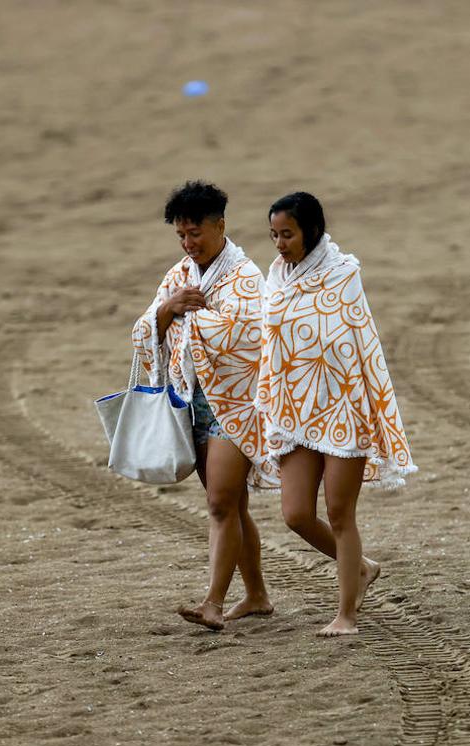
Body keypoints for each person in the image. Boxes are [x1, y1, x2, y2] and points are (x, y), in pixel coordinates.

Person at [257, 192, 416, 636]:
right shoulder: (277, 275)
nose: (279, 243)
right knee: (295, 514)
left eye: (287, 234)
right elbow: (274, 342)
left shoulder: (343, 274)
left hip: (344, 408)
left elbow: (349, 342)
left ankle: (346, 614)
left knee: (341, 513)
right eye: (273, 235)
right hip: (295, 410)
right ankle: (362, 568)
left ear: (311, 229)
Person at [132, 181, 280, 631]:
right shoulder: (179, 275)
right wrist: (168, 309)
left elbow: (248, 332)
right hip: (189, 403)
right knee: (234, 507)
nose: (188, 243)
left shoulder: (245, 276)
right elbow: (144, 328)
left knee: (219, 504)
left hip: (235, 405)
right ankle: (256, 596)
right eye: (181, 235)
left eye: (195, 233)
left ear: (221, 226)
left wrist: (184, 315)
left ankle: (212, 603)